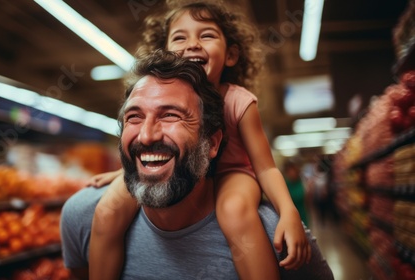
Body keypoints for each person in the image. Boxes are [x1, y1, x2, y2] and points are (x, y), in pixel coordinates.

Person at [61, 49, 334, 279]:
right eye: (134, 117)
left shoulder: (276, 237)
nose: (146, 135)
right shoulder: (82, 217)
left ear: (213, 143)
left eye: (170, 115)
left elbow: (265, 167)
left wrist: (288, 210)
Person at [87, 2, 309, 279]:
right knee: (107, 211)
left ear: (230, 55)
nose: (192, 44)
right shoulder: (157, 99)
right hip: (183, 170)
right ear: (164, 52)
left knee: (234, 209)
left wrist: (288, 211)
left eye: (206, 35)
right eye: (180, 37)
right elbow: (153, 146)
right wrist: (124, 171)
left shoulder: (239, 102)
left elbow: (265, 167)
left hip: (231, 173)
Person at [283, 160, 309, 226]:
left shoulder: (302, 182)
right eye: (289, 171)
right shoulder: (284, 184)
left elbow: (308, 199)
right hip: (290, 216)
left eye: (293, 170)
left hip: (303, 213)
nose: (291, 173)